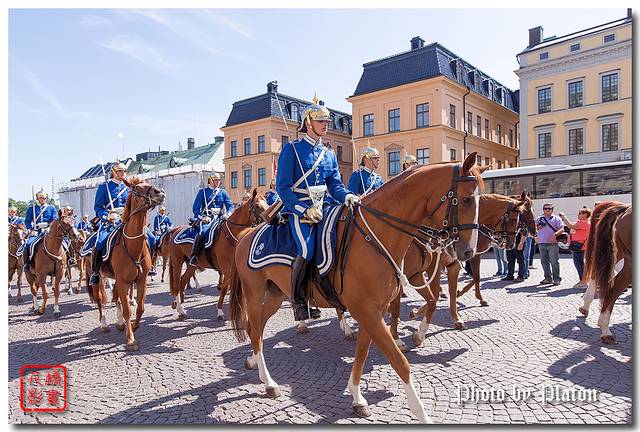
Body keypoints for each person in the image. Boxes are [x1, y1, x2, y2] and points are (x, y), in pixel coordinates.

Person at [276, 96, 360, 321]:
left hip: (324, 207)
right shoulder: (292, 150)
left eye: (327, 122)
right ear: (309, 122)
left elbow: (335, 186)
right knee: (306, 249)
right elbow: (283, 188)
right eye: (321, 121)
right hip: (299, 210)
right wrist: (303, 210)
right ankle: (298, 301)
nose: (325, 125)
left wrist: (348, 196)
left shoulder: (329, 154)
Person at [189, 172, 234, 266]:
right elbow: (195, 208)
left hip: (220, 218)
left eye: (219, 180)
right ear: (210, 181)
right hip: (207, 219)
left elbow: (230, 206)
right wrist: (202, 217)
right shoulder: (203, 192)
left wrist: (228, 214)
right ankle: (194, 255)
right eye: (215, 180)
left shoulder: (223, 192)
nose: (217, 182)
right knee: (202, 232)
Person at [23, 190, 59, 273]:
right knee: (28, 244)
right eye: (41, 198)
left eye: (44, 198)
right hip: (36, 231)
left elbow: (54, 219)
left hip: (49, 231)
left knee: (64, 243)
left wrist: (49, 227)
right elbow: (27, 221)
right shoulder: (31, 208)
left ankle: (70, 259)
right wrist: (30, 229)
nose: (43, 200)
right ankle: (27, 264)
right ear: (37, 199)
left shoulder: (51, 208)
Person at [559, 208, 591, 288]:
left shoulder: (583, 223)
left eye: (580, 213)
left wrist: (564, 218)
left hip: (578, 246)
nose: (578, 214)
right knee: (580, 263)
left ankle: (583, 281)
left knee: (579, 264)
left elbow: (570, 226)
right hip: (579, 245)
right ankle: (583, 280)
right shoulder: (585, 223)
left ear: (585, 215)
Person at [535, 203, 564, 286]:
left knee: (554, 261)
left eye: (549, 208)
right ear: (543, 209)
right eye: (546, 208)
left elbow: (562, 229)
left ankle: (557, 279)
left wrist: (555, 235)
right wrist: (538, 228)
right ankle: (547, 278)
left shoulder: (556, 218)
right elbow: (535, 229)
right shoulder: (539, 219)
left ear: (552, 210)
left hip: (552, 243)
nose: (547, 210)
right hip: (541, 242)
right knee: (544, 262)